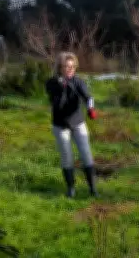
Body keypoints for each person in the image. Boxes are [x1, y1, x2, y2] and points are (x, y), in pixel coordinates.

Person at [45, 52, 99, 198]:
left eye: (72, 66)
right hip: (61, 125)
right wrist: (63, 86)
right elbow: (58, 103)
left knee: (86, 154)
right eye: (66, 66)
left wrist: (90, 108)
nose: (70, 69)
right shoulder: (52, 83)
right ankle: (71, 189)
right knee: (67, 156)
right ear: (60, 67)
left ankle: (93, 189)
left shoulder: (78, 81)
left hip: (78, 122)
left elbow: (88, 97)